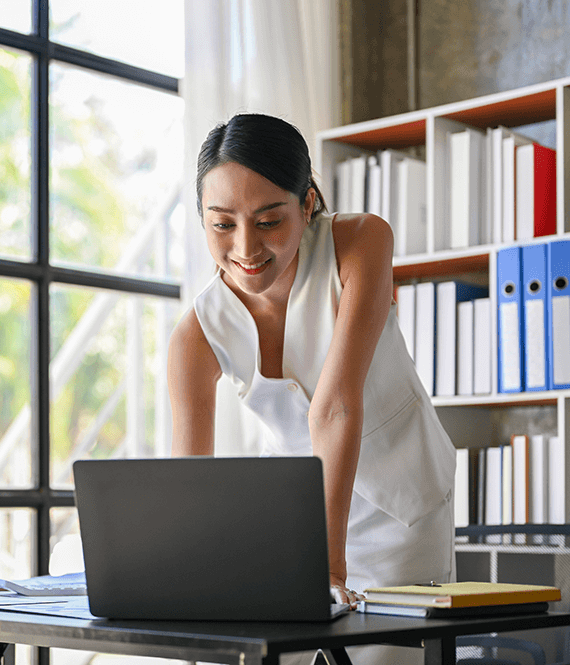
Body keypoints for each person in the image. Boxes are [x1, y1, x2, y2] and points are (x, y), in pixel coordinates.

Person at [168, 114, 456, 665]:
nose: (246, 248)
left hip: (401, 512)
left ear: (307, 204)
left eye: (269, 220)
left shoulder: (360, 241)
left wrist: (328, 566)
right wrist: (184, 585)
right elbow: (190, 484)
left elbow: (336, 404)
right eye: (222, 225)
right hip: (296, 525)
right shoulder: (196, 333)